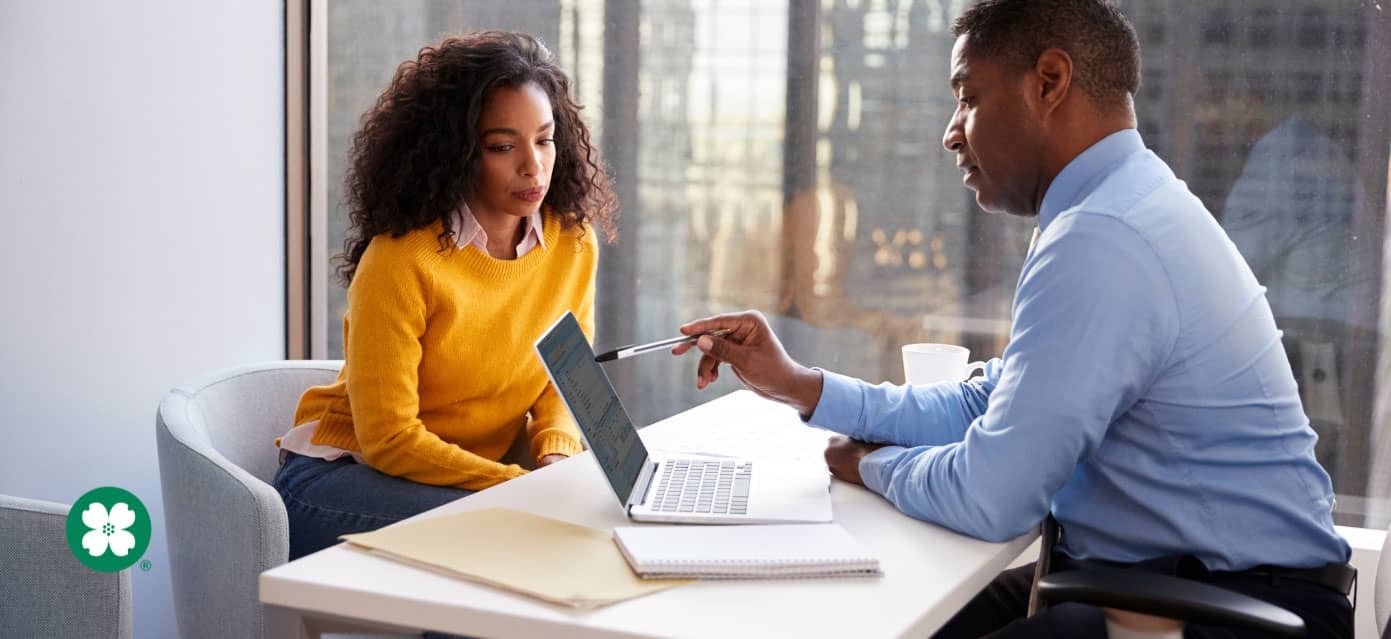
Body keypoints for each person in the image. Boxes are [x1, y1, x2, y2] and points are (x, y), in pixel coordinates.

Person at [672, 1, 1353, 636]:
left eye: (967, 97)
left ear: (1048, 82)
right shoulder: (1120, 204)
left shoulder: (1104, 236)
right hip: (1169, 586)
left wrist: (868, 467)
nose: (949, 132)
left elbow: (991, 494)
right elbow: (988, 399)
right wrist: (803, 385)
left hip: (1225, 612)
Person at [273, 30, 617, 561]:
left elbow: (561, 380)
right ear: (454, 152)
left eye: (544, 139)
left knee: (550, 533)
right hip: (341, 480)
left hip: (462, 481)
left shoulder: (572, 242)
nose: (533, 166)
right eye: (503, 146)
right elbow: (389, 440)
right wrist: (515, 486)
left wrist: (554, 455)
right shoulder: (401, 261)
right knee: (508, 540)